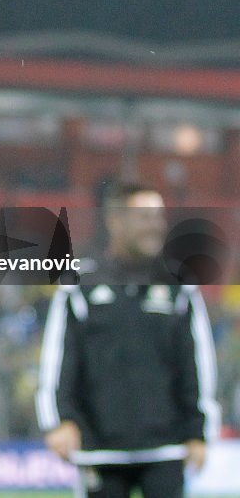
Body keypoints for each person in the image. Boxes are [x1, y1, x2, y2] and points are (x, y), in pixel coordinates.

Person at [36, 180, 221, 498]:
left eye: (158, 217)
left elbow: (196, 361)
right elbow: (60, 358)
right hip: (99, 448)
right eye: (144, 217)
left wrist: (199, 432)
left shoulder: (179, 285)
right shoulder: (80, 283)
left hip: (167, 448)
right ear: (115, 221)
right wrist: (59, 421)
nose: (155, 226)